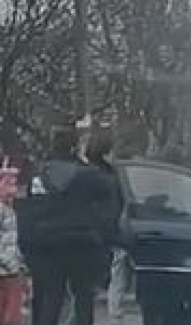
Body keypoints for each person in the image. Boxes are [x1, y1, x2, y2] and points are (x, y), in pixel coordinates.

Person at [15, 125, 117, 325]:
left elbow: (26, 207)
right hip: (78, 242)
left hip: (43, 243)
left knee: (50, 296)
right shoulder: (87, 175)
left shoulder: (38, 174)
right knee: (83, 295)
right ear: (74, 148)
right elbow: (110, 193)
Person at [85, 129, 130, 325]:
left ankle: (114, 311)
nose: (116, 155)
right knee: (118, 266)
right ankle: (115, 312)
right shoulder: (108, 176)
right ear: (105, 152)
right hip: (107, 231)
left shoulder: (91, 172)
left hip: (95, 231)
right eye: (113, 151)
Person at [0, 162, 24, 325]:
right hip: (6, 267)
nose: (13, 188)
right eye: (9, 182)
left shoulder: (11, 209)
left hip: (12, 267)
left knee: (12, 310)